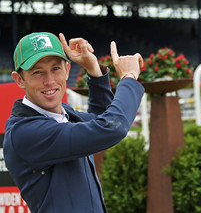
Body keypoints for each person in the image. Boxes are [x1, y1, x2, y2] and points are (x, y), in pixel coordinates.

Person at [3, 32, 144, 213]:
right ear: (19, 79)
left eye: (56, 68)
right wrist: (129, 77)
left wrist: (93, 68)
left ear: (68, 70)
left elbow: (101, 119)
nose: (49, 81)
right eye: (37, 72)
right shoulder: (24, 132)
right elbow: (111, 127)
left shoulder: (64, 113)